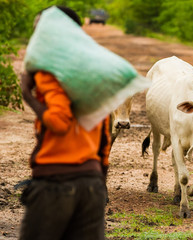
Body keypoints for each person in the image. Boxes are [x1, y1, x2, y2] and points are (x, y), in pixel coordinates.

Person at [19, 6, 111, 240]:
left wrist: (27, 94)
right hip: (92, 185)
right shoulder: (95, 70)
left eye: (39, 31)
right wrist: (99, 185)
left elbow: (59, 123)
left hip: (56, 184)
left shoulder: (52, 71)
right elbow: (104, 139)